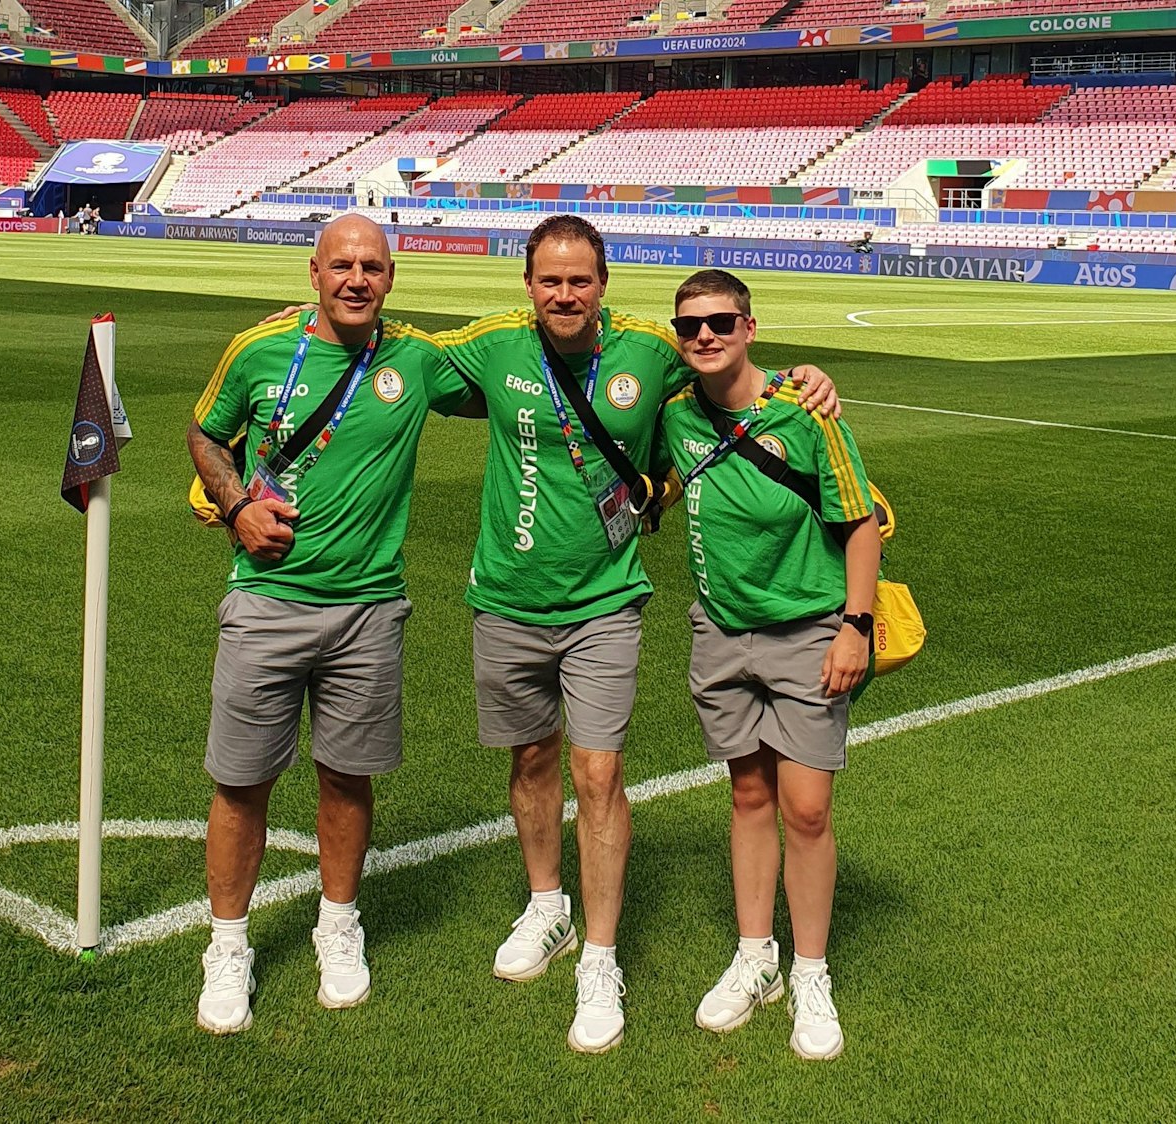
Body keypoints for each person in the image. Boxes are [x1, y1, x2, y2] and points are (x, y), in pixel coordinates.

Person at [430, 217, 840, 1053]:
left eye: (579, 279)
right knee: (531, 760)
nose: (564, 294)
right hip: (506, 596)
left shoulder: (651, 350)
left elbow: (725, 369)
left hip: (606, 598)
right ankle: (548, 909)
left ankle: (600, 957)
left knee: (598, 769)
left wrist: (806, 377)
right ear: (527, 283)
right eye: (549, 279)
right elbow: (392, 358)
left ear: (604, 281)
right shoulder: (497, 344)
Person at [184, 215, 477, 1035]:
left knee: (348, 777)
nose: (356, 279)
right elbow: (206, 434)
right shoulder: (257, 350)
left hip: (369, 611)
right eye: (341, 265)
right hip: (266, 603)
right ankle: (228, 946)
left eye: (372, 267)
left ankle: (338, 926)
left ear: (390, 278)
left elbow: (531, 375)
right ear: (312, 271)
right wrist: (236, 503)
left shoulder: (414, 361)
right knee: (240, 782)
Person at [653, 269, 880, 1061]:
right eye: (689, 326)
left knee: (806, 809)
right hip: (719, 634)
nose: (704, 336)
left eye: (720, 321)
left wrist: (854, 626)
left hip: (809, 634)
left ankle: (810, 971)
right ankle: (757, 960)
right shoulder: (675, 411)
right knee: (747, 795)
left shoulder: (804, 409)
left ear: (750, 326)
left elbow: (861, 524)